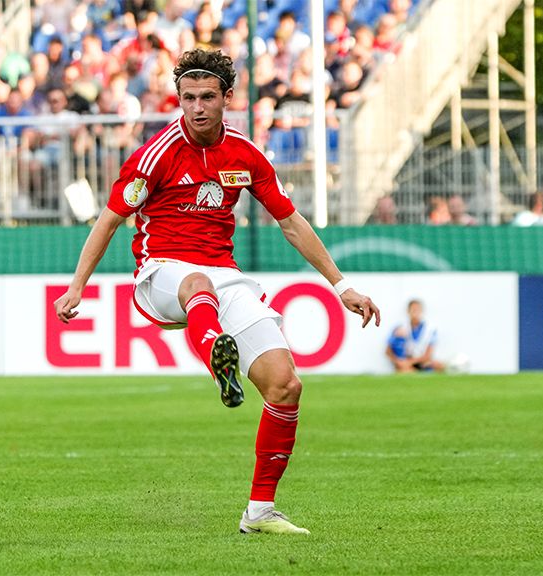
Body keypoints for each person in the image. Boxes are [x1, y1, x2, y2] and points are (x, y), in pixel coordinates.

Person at [53, 48, 381, 535]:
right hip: (160, 273)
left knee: (285, 385)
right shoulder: (155, 154)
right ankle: (217, 360)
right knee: (197, 284)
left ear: (228, 98)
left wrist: (342, 285)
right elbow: (109, 220)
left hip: (223, 275)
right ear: (178, 99)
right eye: (188, 98)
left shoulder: (245, 155)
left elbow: (290, 222)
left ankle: (260, 511)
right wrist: (76, 286)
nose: (198, 107)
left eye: (208, 97)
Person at [386, 299, 445, 373]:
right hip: (405, 361)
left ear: (422, 311)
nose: (415, 312)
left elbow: (428, 354)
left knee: (440, 365)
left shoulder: (430, 329)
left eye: (418, 310)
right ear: (408, 311)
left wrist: (410, 362)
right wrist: (398, 362)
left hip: (421, 361)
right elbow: (388, 351)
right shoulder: (399, 328)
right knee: (404, 370)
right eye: (413, 309)